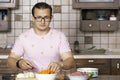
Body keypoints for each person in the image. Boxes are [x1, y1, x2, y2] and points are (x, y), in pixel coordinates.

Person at [7, 2, 76, 73]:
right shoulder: (23, 37)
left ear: (51, 18)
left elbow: (70, 60)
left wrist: (60, 64)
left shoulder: (60, 36)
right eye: (39, 17)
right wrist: (19, 63)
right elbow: (10, 60)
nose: (42, 21)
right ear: (33, 18)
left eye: (46, 17)